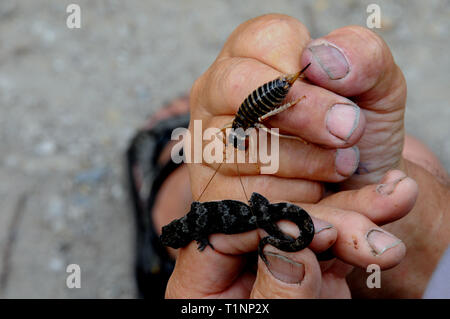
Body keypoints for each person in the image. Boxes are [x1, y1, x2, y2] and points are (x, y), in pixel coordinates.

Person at [127, 14, 449, 299]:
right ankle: (415, 237)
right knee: (416, 157)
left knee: (230, 164)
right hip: (267, 115)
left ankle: (178, 199)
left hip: (263, 112)